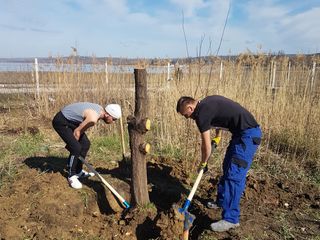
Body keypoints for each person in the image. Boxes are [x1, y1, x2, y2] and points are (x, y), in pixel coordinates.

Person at [176, 95, 262, 232]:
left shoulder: (201, 115)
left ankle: (231, 219)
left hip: (248, 136)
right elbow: (220, 115)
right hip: (240, 134)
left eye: (186, 115)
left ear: (190, 108)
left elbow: (206, 146)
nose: (187, 118)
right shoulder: (207, 103)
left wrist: (203, 163)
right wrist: (218, 136)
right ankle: (221, 202)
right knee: (227, 167)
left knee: (234, 176)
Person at [52, 102, 121, 189]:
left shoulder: (100, 110)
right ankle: (71, 175)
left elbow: (79, 128)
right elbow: (77, 132)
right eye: (113, 119)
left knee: (85, 144)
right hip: (61, 121)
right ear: (108, 115)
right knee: (76, 147)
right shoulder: (93, 119)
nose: (113, 122)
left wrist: (72, 143)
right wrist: (72, 145)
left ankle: (78, 171)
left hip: (71, 121)